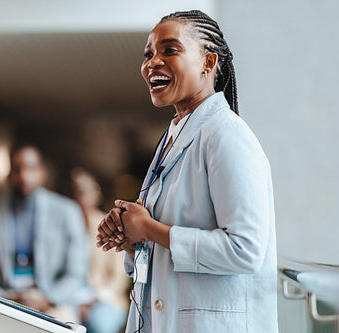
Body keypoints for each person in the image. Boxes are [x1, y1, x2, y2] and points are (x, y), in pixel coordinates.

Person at [96, 10, 278, 332]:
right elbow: (169, 247)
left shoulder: (226, 134)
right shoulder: (175, 135)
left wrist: (149, 229)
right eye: (148, 54)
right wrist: (132, 237)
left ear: (208, 63)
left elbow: (245, 250)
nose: (152, 62)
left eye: (170, 50)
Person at [0, 143, 88, 322]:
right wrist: (6, 298)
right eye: (17, 169)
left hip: (52, 303)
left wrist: (46, 299)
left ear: (43, 173)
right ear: (9, 175)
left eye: (31, 168)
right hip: (0, 300)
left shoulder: (67, 212)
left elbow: (76, 273)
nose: (24, 176)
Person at [71, 168, 129, 333]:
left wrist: (92, 300)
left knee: (98, 325)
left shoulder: (109, 226)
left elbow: (119, 277)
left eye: (83, 191)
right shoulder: (62, 228)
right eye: (74, 192)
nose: (79, 198)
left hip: (106, 299)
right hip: (71, 298)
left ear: (97, 194)